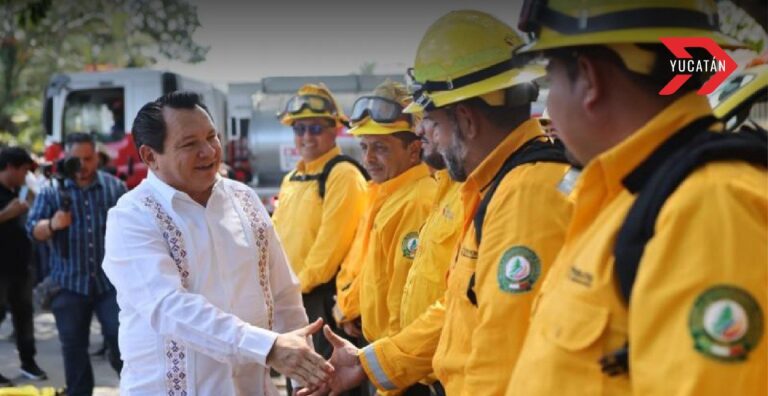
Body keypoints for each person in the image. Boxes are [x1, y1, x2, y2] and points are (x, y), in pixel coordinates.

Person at [505, 1, 767, 395]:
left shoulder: (709, 207)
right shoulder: (629, 193)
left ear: (590, 79)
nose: (549, 110)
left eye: (550, 81)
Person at [308, 11, 575, 396]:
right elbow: (457, 309)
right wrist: (372, 362)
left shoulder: (527, 197)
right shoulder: (498, 187)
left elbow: (501, 358)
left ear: (466, 120)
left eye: (432, 123)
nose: (425, 137)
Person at [101, 91, 333, 396]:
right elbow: (169, 307)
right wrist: (266, 346)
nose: (209, 151)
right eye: (189, 144)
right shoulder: (132, 217)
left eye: (212, 137)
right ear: (149, 156)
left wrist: (307, 376)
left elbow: (283, 296)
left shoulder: (244, 199)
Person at [332, 81, 436, 351]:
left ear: (414, 150)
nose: (368, 159)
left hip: (395, 356)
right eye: (364, 147)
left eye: (380, 148)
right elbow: (366, 266)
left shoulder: (418, 201)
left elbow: (403, 299)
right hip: (377, 346)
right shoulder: (382, 193)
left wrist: (389, 375)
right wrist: (350, 307)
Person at [272, 84, 368, 365]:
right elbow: (274, 236)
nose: (306, 137)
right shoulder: (292, 178)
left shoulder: (343, 175)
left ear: (334, 130)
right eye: (299, 129)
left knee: (325, 381)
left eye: (315, 129)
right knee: (299, 381)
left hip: (322, 302)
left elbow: (329, 248)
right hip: (293, 298)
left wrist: (292, 288)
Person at [27, 132, 126, 396]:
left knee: (122, 341)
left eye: (88, 158)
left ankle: (136, 388)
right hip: (68, 283)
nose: (83, 166)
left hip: (110, 284)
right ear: (66, 158)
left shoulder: (114, 187)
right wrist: (51, 224)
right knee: (73, 347)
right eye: (76, 159)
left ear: (98, 157)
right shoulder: (51, 191)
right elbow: (32, 229)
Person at [0, 147, 47, 385]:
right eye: (23, 171)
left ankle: (29, 362)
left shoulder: (20, 191)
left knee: (24, 316)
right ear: (10, 167)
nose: (25, 176)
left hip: (21, 265)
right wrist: (5, 214)